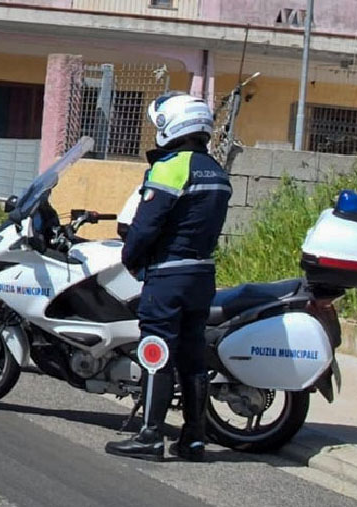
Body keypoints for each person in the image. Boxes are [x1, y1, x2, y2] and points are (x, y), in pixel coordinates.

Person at [104, 92, 231, 462]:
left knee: (155, 352)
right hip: (202, 274)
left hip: (168, 274)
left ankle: (150, 435)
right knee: (192, 355)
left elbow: (146, 226)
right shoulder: (216, 171)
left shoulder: (171, 167)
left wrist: (130, 258)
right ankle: (194, 438)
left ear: (171, 125)